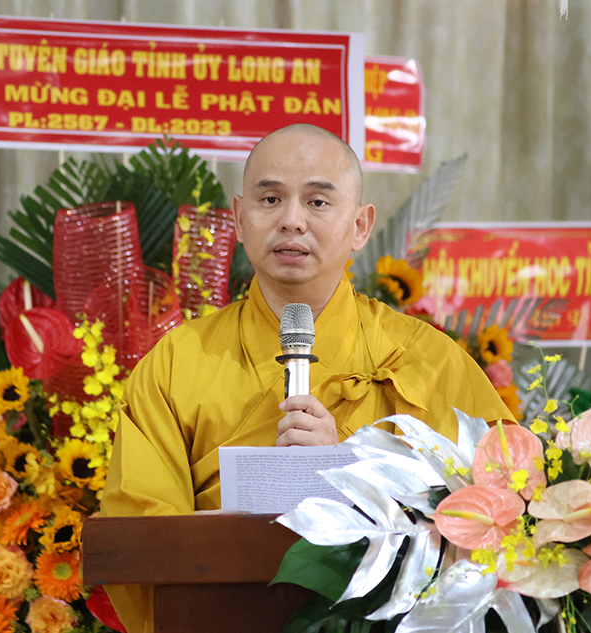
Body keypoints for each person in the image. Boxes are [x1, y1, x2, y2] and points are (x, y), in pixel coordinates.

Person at [99, 123, 513, 633]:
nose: (291, 220)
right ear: (239, 218)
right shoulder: (177, 363)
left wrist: (351, 473)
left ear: (360, 225)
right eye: (270, 199)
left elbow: (502, 513)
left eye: (317, 202)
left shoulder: (429, 361)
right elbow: (140, 532)